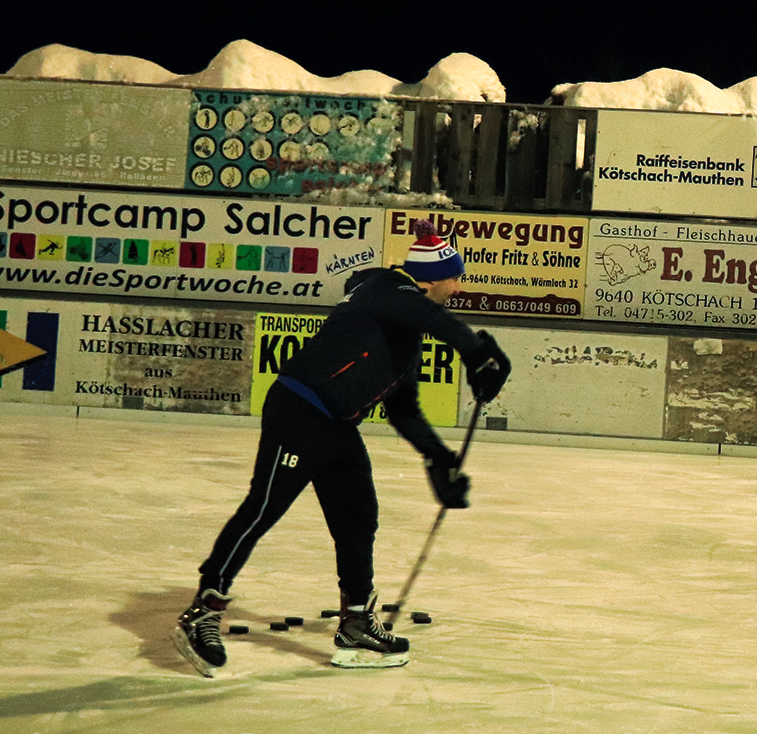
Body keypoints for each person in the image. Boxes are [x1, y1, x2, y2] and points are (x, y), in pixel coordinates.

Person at [172, 220, 510, 676]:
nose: (459, 287)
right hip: (300, 409)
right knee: (264, 507)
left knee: (358, 516)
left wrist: (439, 458)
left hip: (337, 426)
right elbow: (432, 317)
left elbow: (404, 410)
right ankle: (203, 611)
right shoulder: (385, 287)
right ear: (432, 279)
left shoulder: (405, 332)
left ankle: (355, 622)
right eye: (455, 277)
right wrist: (476, 351)